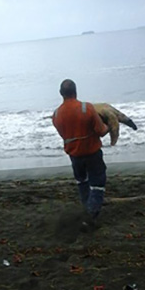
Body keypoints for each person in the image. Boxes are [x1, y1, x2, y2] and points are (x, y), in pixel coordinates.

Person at [52, 79, 110, 230]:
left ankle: (86, 210)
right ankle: (89, 216)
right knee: (97, 183)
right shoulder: (87, 108)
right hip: (92, 154)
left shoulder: (56, 115)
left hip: (75, 156)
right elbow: (101, 131)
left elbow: (64, 135)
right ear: (76, 91)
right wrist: (109, 125)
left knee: (82, 182)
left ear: (61, 94)